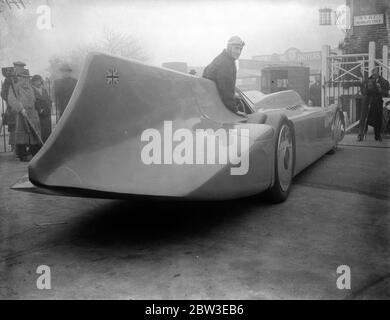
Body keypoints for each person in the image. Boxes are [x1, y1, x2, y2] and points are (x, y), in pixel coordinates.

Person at [203, 36, 245, 113]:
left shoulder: (223, 58)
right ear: (229, 48)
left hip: (210, 100)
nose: (238, 52)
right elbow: (225, 91)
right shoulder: (226, 63)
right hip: (215, 105)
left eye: (240, 49)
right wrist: (235, 110)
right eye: (236, 48)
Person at [7, 69, 41, 161]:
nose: (25, 80)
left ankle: (34, 153)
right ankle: (22, 155)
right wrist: (20, 107)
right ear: (19, 78)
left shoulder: (31, 88)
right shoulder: (14, 87)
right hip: (21, 114)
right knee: (22, 135)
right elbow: (11, 99)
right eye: (23, 78)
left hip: (32, 113)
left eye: (27, 78)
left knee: (33, 134)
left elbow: (35, 100)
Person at [357, 67, 390, 141]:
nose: (373, 76)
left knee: (378, 120)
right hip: (367, 102)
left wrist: (380, 89)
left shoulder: (384, 82)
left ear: (378, 73)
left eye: (375, 74)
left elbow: (386, 93)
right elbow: (363, 92)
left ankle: (377, 136)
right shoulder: (367, 80)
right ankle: (360, 135)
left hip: (377, 103)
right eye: (373, 74)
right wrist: (361, 85)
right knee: (363, 118)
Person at [1, 61, 27, 152]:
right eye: (18, 67)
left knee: (24, 126)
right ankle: (14, 148)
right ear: (15, 68)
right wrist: (11, 103)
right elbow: (4, 93)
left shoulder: (25, 77)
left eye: (22, 67)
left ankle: (23, 147)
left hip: (25, 106)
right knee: (14, 127)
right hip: (13, 107)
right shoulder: (9, 79)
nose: (20, 69)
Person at [32, 74, 52, 142]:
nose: (39, 82)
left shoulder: (44, 90)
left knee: (48, 130)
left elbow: (48, 100)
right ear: (33, 82)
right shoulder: (32, 90)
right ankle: (41, 145)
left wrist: (49, 108)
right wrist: (39, 110)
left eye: (39, 80)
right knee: (40, 131)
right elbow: (33, 102)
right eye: (36, 81)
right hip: (38, 114)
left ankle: (48, 144)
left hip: (46, 113)